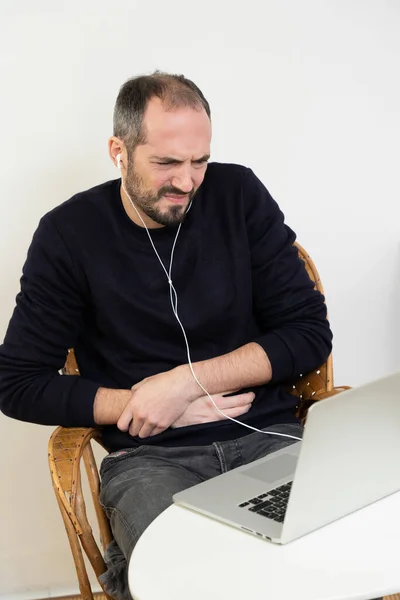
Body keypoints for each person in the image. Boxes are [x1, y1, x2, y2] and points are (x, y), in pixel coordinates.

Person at [0, 72, 332, 599]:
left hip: (266, 439)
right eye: (166, 163)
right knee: (193, 581)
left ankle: (128, 570)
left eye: (199, 161)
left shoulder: (239, 194)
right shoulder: (68, 234)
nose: (187, 181)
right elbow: (17, 383)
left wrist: (184, 383)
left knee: (331, 560)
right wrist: (139, 404)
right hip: (151, 460)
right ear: (119, 150)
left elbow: (308, 333)